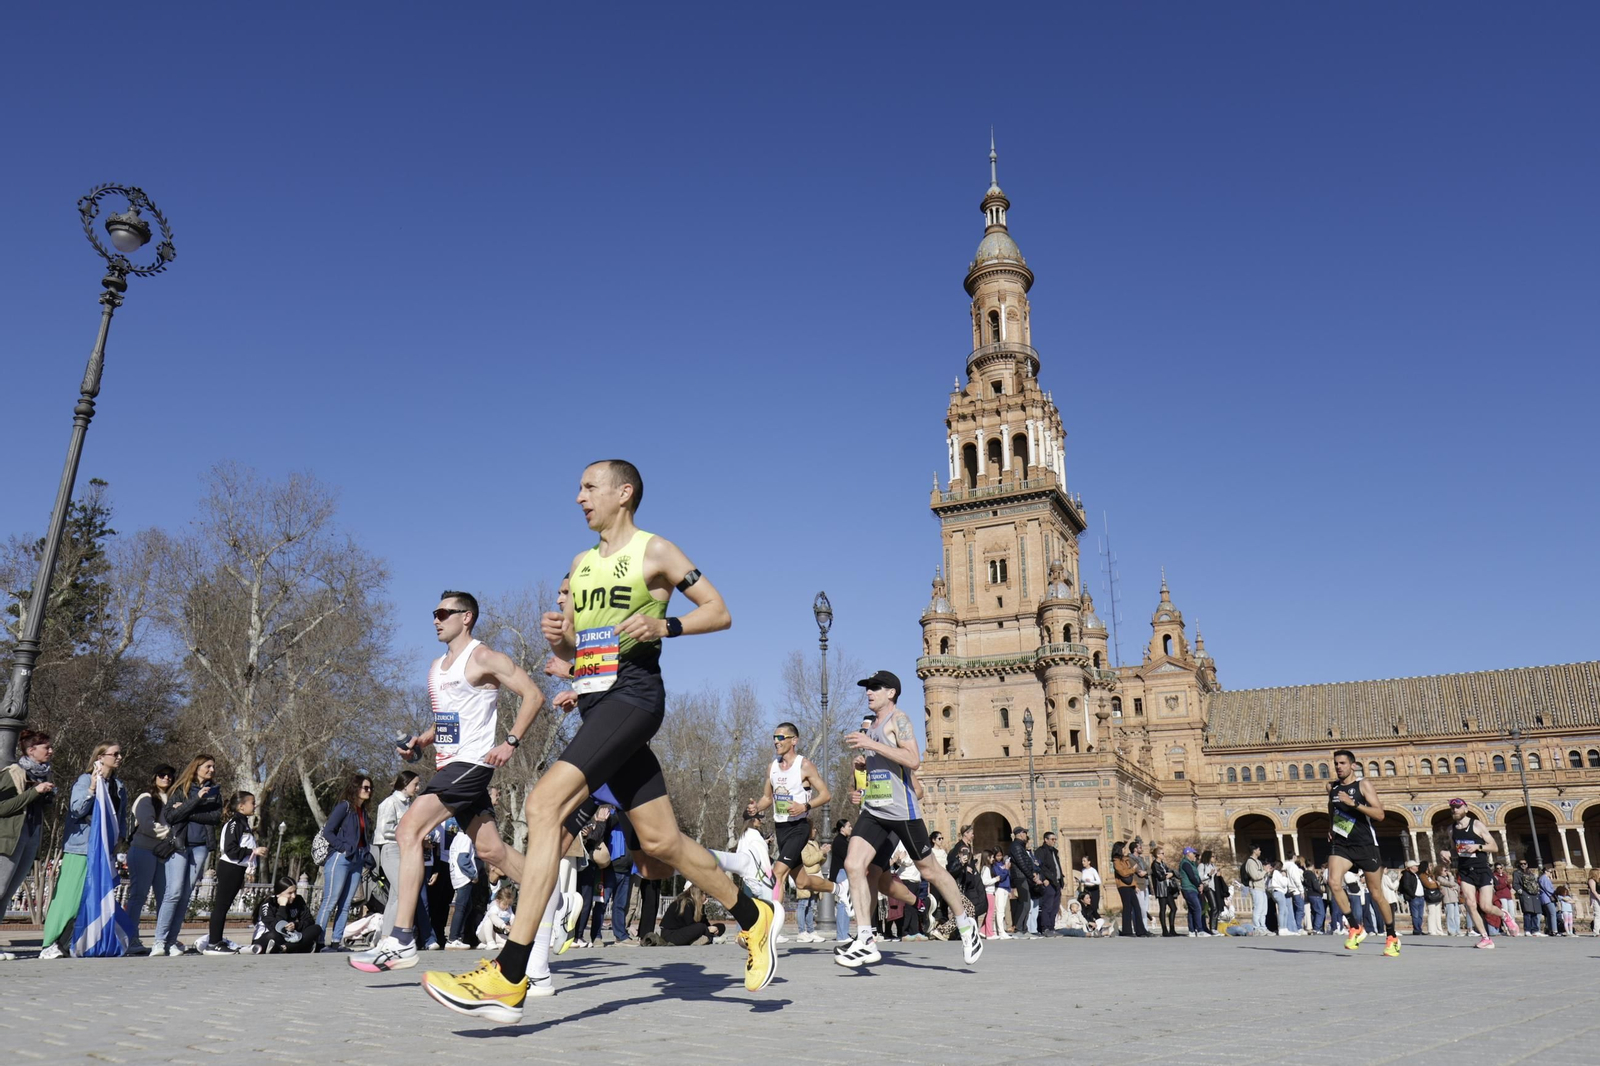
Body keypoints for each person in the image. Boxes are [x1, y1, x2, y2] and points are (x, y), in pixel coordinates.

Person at [422, 461, 779, 1023]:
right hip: (596, 705)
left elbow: (720, 611)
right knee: (660, 842)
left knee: (543, 805)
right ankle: (755, 915)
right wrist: (561, 642)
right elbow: (579, 652)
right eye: (579, 488)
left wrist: (667, 626)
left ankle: (510, 974)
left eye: (590, 487)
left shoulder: (655, 551)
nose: (579, 497)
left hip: (634, 697)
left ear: (624, 492)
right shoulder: (580, 564)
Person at [352, 589, 544, 974]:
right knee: (492, 850)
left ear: (466, 617)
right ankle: (551, 895)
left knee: (407, 830)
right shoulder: (437, 666)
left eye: (443, 613)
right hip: (448, 766)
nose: (436, 620)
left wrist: (510, 742)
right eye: (434, 613)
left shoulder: (484, 657)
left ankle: (401, 939)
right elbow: (449, 719)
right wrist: (422, 741)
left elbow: (534, 695)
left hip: (472, 764)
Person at [835, 668, 982, 969]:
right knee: (854, 864)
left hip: (902, 812)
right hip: (875, 811)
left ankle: (966, 925)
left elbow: (913, 759)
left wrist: (872, 746)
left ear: (891, 692)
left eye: (875, 687)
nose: (869, 692)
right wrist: (864, 768)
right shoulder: (873, 727)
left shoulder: (898, 719)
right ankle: (865, 939)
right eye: (867, 687)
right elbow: (883, 770)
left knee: (930, 871)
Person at [39, 742, 128, 958]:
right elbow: (77, 809)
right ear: (100, 757)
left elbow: (120, 816)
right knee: (69, 898)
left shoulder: (118, 786)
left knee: (91, 898)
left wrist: (120, 839)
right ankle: (50, 943)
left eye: (120, 754)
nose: (119, 757)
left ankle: (69, 943)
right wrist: (92, 789)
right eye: (115, 754)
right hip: (81, 848)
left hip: (104, 850)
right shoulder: (85, 780)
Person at [1323, 749, 1400, 957]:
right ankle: (1355, 927)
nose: (1338, 767)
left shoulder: (1363, 785)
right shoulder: (1332, 787)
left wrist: (1354, 804)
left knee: (1376, 894)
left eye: (1342, 763)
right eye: (1336, 763)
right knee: (1333, 882)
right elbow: (1331, 807)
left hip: (1365, 844)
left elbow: (1380, 814)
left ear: (1353, 765)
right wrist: (1331, 826)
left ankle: (1392, 937)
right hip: (1342, 844)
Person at [155, 754, 222, 956]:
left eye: (213, 767)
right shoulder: (180, 789)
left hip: (200, 847)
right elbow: (171, 816)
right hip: (179, 845)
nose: (212, 770)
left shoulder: (214, 791)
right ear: (197, 767)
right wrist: (196, 800)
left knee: (185, 895)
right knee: (174, 892)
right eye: (208, 766)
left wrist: (187, 811)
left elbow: (215, 817)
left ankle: (172, 942)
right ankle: (159, 941)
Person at [0, 731, 57, 934]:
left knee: (8, 894)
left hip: (31, 836)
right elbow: (2, 807)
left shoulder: (45, 774)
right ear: (31, 750)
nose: (51, 751)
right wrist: (34, 792)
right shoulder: (13, 772)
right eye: (46, 747)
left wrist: (48, 797)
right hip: (10, 839)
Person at [200, 791, 268, 954]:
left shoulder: (243, 823)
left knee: (224, 906)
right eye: (252, 802)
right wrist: (254, 851)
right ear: (241, 806)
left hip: (237, 869)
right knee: (221, 906)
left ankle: (216, 940)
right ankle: (214, 942)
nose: (255, 805)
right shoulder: (235, 823)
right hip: (230, 867)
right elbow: (230, 850)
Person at [120, 764, 174, 954]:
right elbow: (147, 825)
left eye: (169, 775)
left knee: (165, 897)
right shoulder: (146, 798)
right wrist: (172, 834)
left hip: (164, 853)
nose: (166, 778)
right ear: (154, 777)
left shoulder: (173, 799)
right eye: (162, 775)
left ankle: (163, 939)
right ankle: (130, 938)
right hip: (143, 850)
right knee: (139, 895)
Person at [317, 775, 375, 949]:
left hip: (357, 860)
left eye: (370, 788)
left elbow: (363, 838)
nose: (369, 791)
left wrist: (366, 856)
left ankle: (337, 941)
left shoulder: (362, 811)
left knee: (346, 903)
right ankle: (318, 941)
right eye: (366, 787)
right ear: (355, 788)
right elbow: (328, 831)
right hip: (340, 858)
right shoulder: (345, 807)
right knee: (330, 900)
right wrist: (343, 848)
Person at [1449, 799, 1512, 947]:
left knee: (1485, 906)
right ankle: (1485, 938)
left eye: (1458, 807)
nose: (1455, 810)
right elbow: (1454, 849)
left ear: (1466, 809)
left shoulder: (1477, 825)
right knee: (1470, 904)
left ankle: (1504, 915)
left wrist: (1478, 847)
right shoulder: (1451, 829)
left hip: (1482, 869)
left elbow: (1494, 847)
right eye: (1452, 808)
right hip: (1465, 870)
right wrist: (1446, 853)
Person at [373, 771, 419, 938]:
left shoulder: (408, 804)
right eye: (415, 784)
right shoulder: (390, 802)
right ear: (405, 784)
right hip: (390, 850)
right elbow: (385, 830)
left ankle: (386, 935)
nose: (417, 788)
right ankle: (389, 935)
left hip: (404, 850)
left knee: (395, 896)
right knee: (403, 892)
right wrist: (410, 833)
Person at [251, 876, 321, 954]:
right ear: (279, 894)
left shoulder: (298, 899)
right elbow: (274, 927)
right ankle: (299, 947)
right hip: (269, 936)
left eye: (295, 892)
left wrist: (295, 925)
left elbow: (309, 920)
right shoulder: (268, 904)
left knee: (316, 928)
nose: (293, 896)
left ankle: (284, 948)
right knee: (272, 936)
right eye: (290, 893)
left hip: (289, 936)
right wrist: (282, 906)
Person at [445, 821, 480, 948]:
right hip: (464, 878)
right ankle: (453, 938)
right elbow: (462, 860)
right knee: (461, 907)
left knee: (467, 906)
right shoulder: (466, 838)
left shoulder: (457, 838)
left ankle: (458, 936)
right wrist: (473, 874)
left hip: (457, 876)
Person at [655, 883, 726, 946]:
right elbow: (691, 925)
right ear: (699, 894)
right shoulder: (686, 903)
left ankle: (705, 939)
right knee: (700, 927)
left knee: (721, 926)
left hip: (686, 931)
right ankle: (709, 939)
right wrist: (707, 929)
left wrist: (702, 908)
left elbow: (704, 923)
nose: (706, 897)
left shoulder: (695, 904)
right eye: (705, 894)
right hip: (671, 935)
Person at [793, 828, 826, 942]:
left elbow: (819, 861)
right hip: (805, 876)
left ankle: (811, 931)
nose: (815, 831)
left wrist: (823, 853)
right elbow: (807, 860)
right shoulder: (802, 843)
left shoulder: (814, 843)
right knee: (803, 904)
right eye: (813, 829)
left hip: (815, 876)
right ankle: (802, 931)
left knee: (811, 905)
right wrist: (820, 853)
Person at [1111, 842, 1146, 938]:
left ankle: (1141, 930)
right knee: (1127, 907)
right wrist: (1132, 870)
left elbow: (1130, 876)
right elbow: (1123, 873)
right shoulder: (1116, 861)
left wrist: (1135, 885)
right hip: (1123, 886)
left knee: (1137, 907)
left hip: (1130, 885)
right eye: (1123, 848)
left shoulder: (1126, 859)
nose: (1125, 850)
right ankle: (1127, 930)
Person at [1008, 827, 1038, 937]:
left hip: (1024, 877)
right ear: (1020, 834)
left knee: (1027, 903)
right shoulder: (1016, 846)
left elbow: (1027, 862)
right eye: (1025, 833)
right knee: (1024, 903)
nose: (1026, 835)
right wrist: (1031, 876)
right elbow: (1021, 863)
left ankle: (1024, 928)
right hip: (1020, 877)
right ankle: (1019, 928)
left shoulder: (1020, 846)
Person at [1036, 832, 1065, 936]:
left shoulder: (1054, 851)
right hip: (1049, 882)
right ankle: (1045, 928)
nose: (1054, 841)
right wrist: (1044, 879)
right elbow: (1039, 866)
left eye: (1055, 839)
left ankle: (1052, 927)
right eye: (1052, 839)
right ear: (1046, 840)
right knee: (1047, 906)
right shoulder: (1041, 851)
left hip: (1056, 882)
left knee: (1055, 907)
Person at [828, 819, 853, 941]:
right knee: (843, 903)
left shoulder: (842, 841)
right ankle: (842, 935)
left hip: (842, 872)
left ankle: (844, 933)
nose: (851, 828)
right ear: (842, 828)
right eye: (849, 826)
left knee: (845, 903)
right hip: (841, 872)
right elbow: (848, 857)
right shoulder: (839, 841)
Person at [1179, 847, 1206, 936]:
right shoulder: (1185, 863)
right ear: (1188, 854)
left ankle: (1192, 930)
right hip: (1188, 888)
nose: (1195, 855)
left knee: (1192, 909)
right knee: (1197, 908)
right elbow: (1191, 876)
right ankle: (1199, 930)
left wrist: (1200, 884)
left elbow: (1196, 876)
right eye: (1193, 853)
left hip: (1193, 888)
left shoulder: (1192, 864)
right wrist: (1198, 885)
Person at [1242, 847, 1267, 935]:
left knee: (1264, 910)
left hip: (1262, 888)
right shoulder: (1250, 862)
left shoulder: (1259, 862)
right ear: (1254, 850)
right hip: (1255, 888)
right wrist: (1264, 871)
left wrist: (1265, 871)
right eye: (1258, 849)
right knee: (1258, 909)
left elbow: (1261, 875)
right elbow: (1255, 876)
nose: (1260, 851)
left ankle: (1263, 927)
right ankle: (1257, 928)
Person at [1514, 859, 1540, 934]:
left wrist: (1537, 891)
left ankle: (1535, 930)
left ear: (1527, 864)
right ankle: (1527, 929)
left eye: (1524, 863)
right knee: (1527, 912)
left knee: (1535, 912)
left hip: (1534, 894)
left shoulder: (1530, 873)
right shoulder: (1517, 873)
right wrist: (1520, 891)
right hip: (1525, 893)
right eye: (1521, 864)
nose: (1523, 865)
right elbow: (1515, 883)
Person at [1399, 860, 1425, 936]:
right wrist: (1412, 895)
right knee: (1415, 915)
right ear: (1411, 867)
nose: (1417, 867)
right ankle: (1416, 930)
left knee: (1420, 915)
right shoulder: (1407, 874)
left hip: (1421, 897)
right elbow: (1406, 886)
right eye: (1415, 866)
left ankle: (1419, 929)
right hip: (1415, 898)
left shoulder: (1416, 875)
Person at [1302, 858, 1326, 934]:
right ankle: (1317, 928)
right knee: (1320, 912)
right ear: (1312, 866)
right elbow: (1316, 886)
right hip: (1315, 894)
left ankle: (1313, 926)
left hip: (1309, 894)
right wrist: (1321, 892)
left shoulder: (1304, 874)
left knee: (1314, 912)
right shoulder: (1311, 874)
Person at [1077, 853, 1102, 926]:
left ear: (1089, 862)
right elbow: (1083, 880)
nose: (1083, 862)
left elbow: (1098, 881)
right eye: (1082, 861)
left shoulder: (1093, 870)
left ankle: (1100, 922)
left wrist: (1090, 881)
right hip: (1087, 889)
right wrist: (1080, 880)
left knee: (1094, 908)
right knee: (1086, 907)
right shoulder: (1083, 870)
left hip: (1094, 890)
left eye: (1084, 861)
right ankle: (1089, 922)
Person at [991, 853, 1012, 937]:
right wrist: (1006, 869)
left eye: (1000, 855)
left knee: (1003, 910)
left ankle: (999, 929)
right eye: (997, 856)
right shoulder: (994, 866)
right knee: (999, 910)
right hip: (999, 888)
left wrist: (1009, 889)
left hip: (1006, 888)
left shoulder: (1003, 864)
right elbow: (1001, 877)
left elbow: (1007, 877)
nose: (999, 857)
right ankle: (1000, 930)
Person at [1421, 863, 1444, 936]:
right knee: (1432, 913)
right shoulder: (1423, 875)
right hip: (1430, 896)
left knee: (1438, 913)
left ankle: (1439, 929)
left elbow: (1438, 884)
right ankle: (1431, 930)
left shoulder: (1431, 876)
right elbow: (1429, 885)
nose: (1431, 867)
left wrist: (1435, 883)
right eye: (1429, 866)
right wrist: (1436, 884)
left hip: (1436, 895)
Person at [1537, 866, 1559, 935]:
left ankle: (1550, 929)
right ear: (1545, 871)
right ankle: (1554, 930)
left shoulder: (1543, 878)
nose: (1551, 873)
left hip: (1545, 898)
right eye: (1550, 872)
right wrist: (1555, 892)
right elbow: (1547, 888)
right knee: (1553, 914)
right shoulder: (1544, 878)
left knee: (1549, 915)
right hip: (1548, 898)